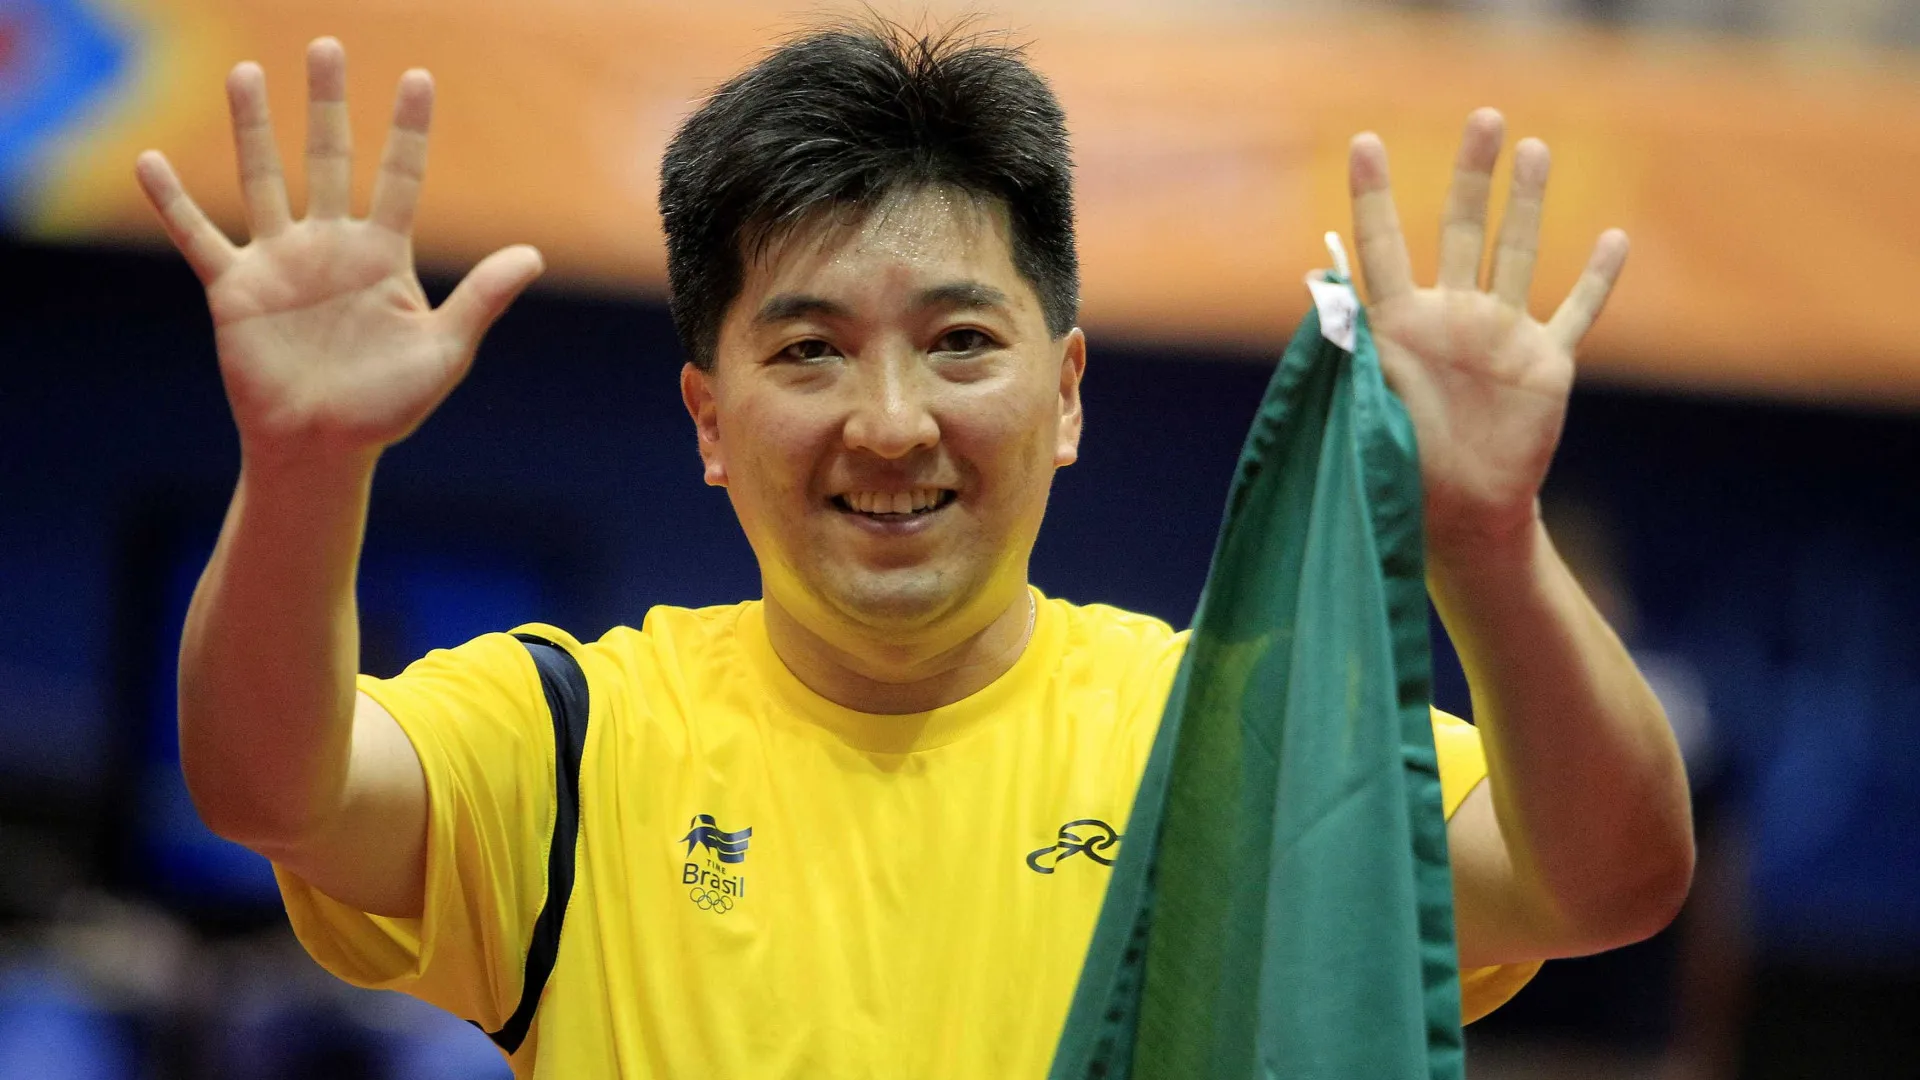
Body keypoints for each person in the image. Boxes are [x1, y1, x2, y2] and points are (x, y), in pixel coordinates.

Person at [137, 22, 1694, 1078]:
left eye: (959, 342)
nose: (891, 423)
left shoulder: (1231, 748)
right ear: (707, 419)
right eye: (809, 351)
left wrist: (1487, 542)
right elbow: (269, 788)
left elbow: (1605, 882)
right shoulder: (569, 740)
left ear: (1066, 394)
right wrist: (302, 467)